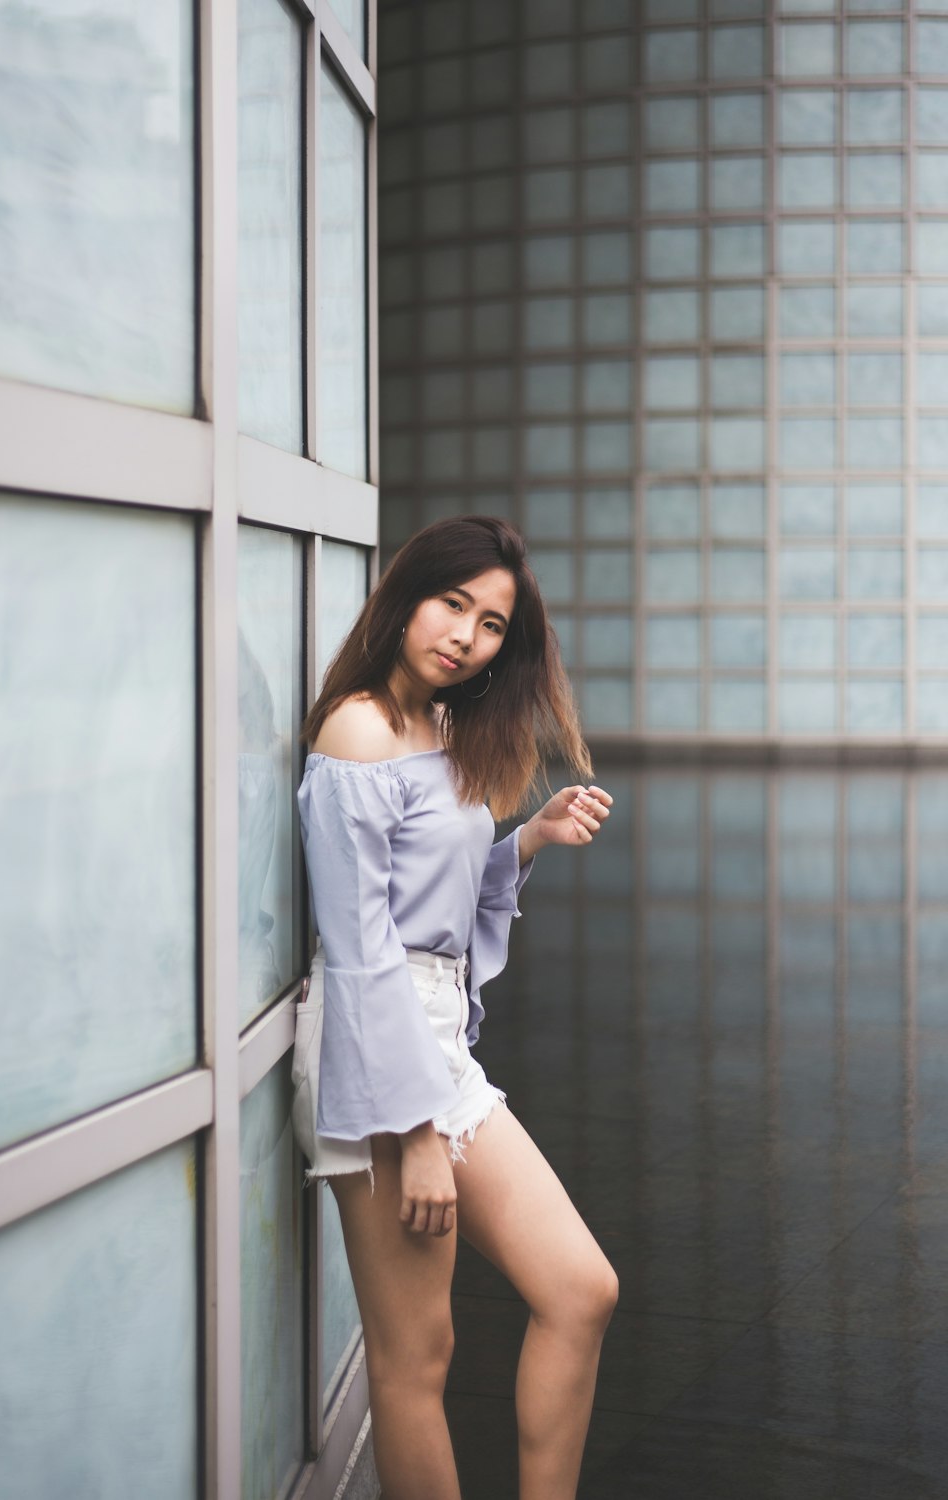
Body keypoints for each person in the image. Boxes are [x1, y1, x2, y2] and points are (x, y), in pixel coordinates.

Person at [292, 515, 619, 1500]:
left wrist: (523, 840)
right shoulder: (354, 728)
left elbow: (429, 892)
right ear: (407, 593)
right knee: (415, 1359)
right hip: (378, 1057)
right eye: (452, 603)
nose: (464, 636)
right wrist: (417, 1130)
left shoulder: (438, 724)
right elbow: (361, 947)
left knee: (580, 1290)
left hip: (434, 1045)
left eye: (488, 623)